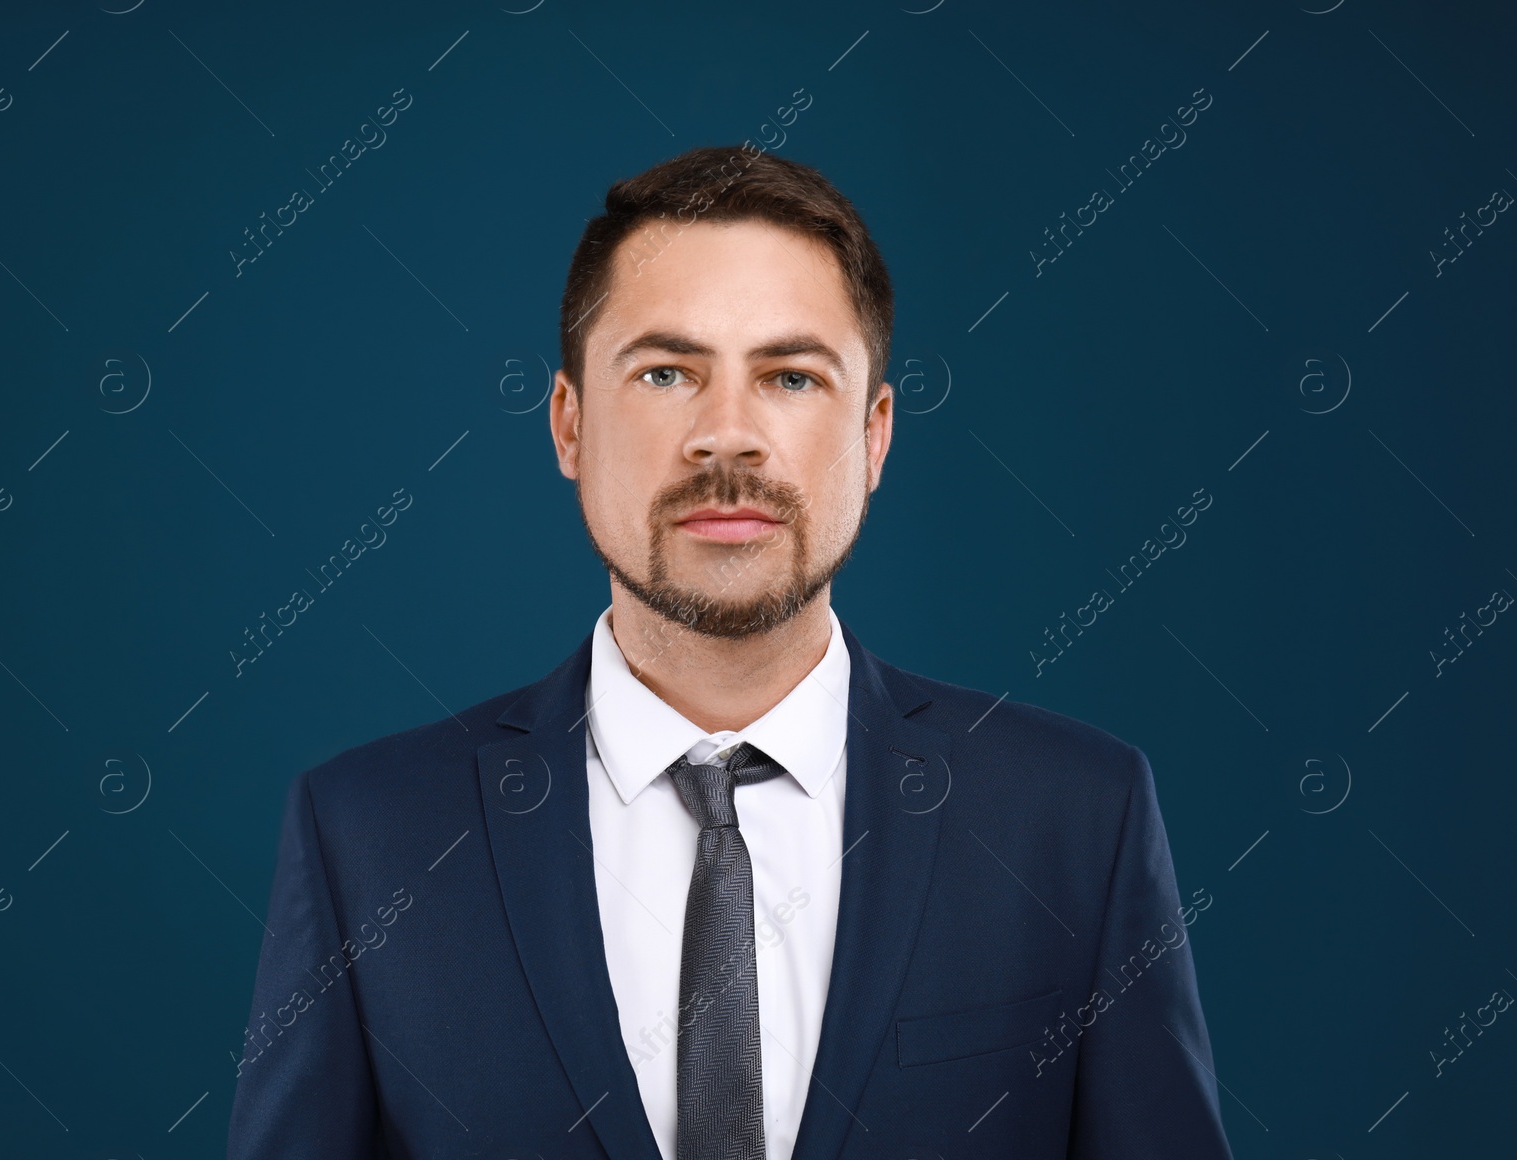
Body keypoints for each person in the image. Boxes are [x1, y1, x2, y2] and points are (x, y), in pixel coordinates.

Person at [226, 144, 1234, 1160]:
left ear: (875, 434)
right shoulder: (369, 836)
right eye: (666, 372)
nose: (727, 436)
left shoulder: (1074, 819)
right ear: (569, 424)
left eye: (790, 376)